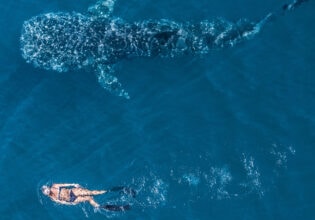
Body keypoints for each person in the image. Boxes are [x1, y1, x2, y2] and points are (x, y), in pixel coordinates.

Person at [41, 183, 106, 208]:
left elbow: (64, 185)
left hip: (71, 191)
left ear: (47, 187)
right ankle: (98, 206)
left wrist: (73, 184)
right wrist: (71, 203)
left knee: (90, 193)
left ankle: (103, 192)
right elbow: (62, 202)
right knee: (88, 198)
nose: (47, 192)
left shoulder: (54, 186)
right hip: (71, 199)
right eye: (46, 193)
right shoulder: (52, 198)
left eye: (47, 190)